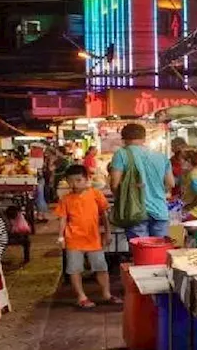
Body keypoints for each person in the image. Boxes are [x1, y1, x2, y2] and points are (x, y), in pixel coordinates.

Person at [54, 166, 120, 308]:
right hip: (73, 239)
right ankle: (81, 296)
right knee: (74, 269)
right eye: (71, 181)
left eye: (78, 180)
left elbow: (104, 215)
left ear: (87, 179)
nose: (75, 184)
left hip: (93, 238)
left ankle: (106, 293)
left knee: (101, 267)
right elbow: (63, 219)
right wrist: (61, 237)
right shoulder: (65, 199)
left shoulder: (96, 194)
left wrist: (107, 233)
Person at [109, 123, 174, 238]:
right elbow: (170, 183)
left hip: (135, 211)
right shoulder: (161, 156)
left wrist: (122, 198)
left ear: (123, 139)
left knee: (141, 251)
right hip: (160, 210)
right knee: (158, 251)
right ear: (144, 138)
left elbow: (115, 184)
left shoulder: (121, 154)